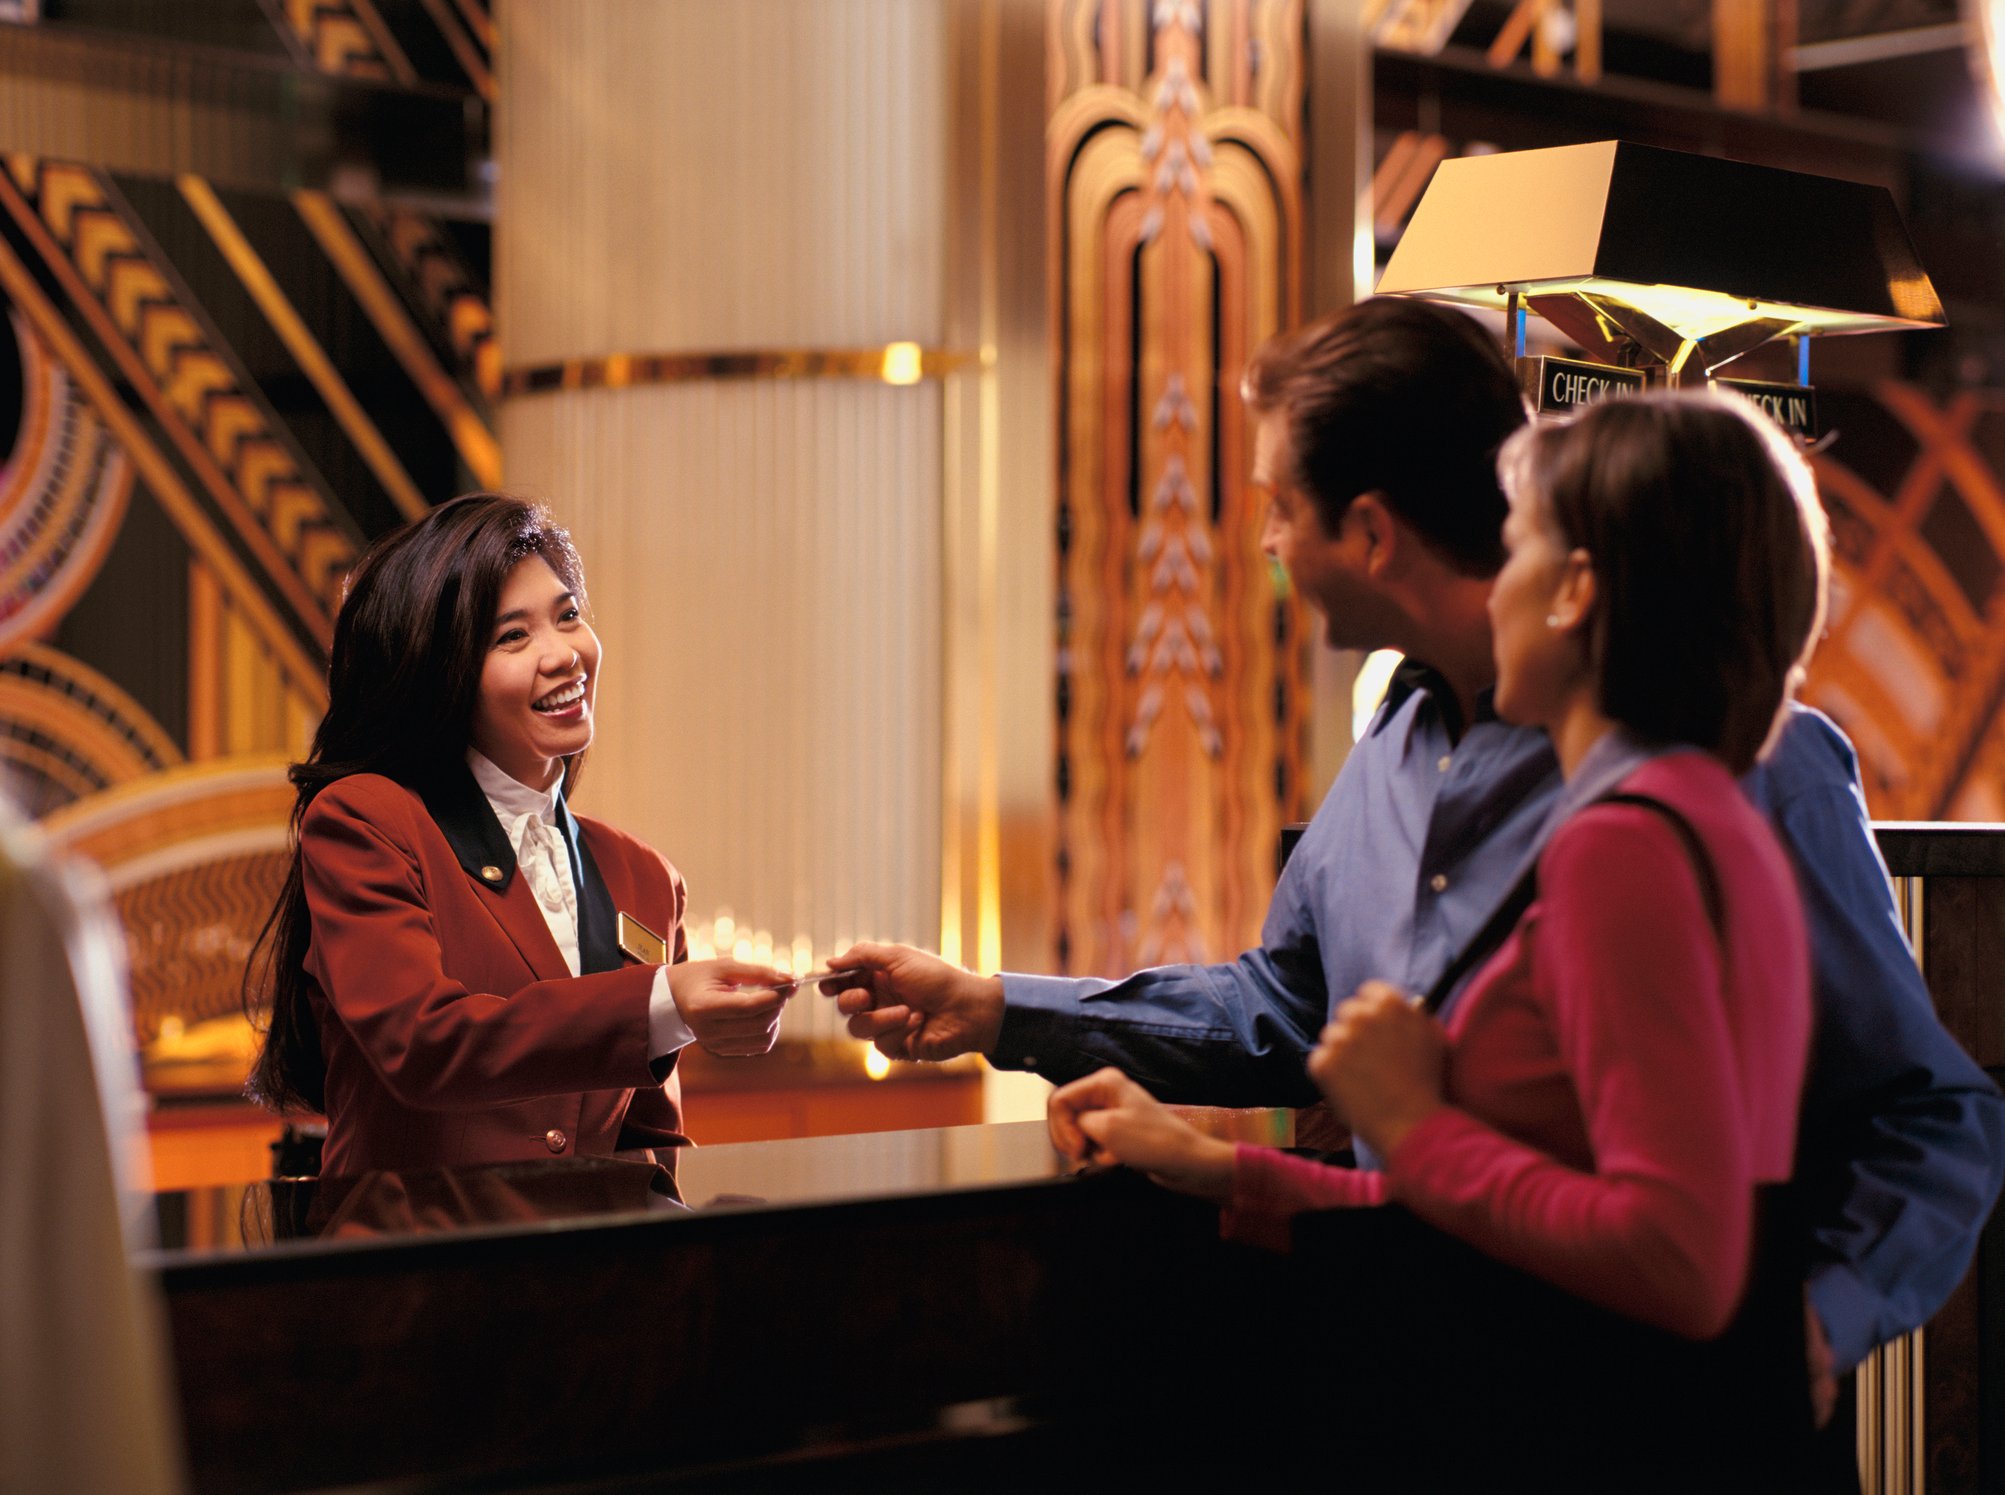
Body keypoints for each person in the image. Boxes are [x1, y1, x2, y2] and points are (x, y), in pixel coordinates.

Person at [831, 299, 2005, 1394]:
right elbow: (1292, 1015)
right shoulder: (1392, 739)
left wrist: (1810, 1323)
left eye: (1278, 505)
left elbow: (1919, 1116)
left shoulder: (1736, 769)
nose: (1266, 543)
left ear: (1373, 530)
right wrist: (1001, 1010)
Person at [1048, 389, 1821, 1335]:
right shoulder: (1706, 812)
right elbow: (1513, 1217)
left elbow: (1675, 1260)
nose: (1493, 588)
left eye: (1519, 548)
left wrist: (1412, 1123)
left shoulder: (1625, 844)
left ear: (1575, 590)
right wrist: (1220, 1168)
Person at [246, 494, 793, 1176]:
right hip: (411, 1270)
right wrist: (663, 1001)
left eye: (567, 617)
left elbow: (649, 1140)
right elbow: (425, 1043)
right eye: (513, 636)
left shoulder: (645, 876)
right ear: (438, 673)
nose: (563, 653)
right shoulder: (366, 821)